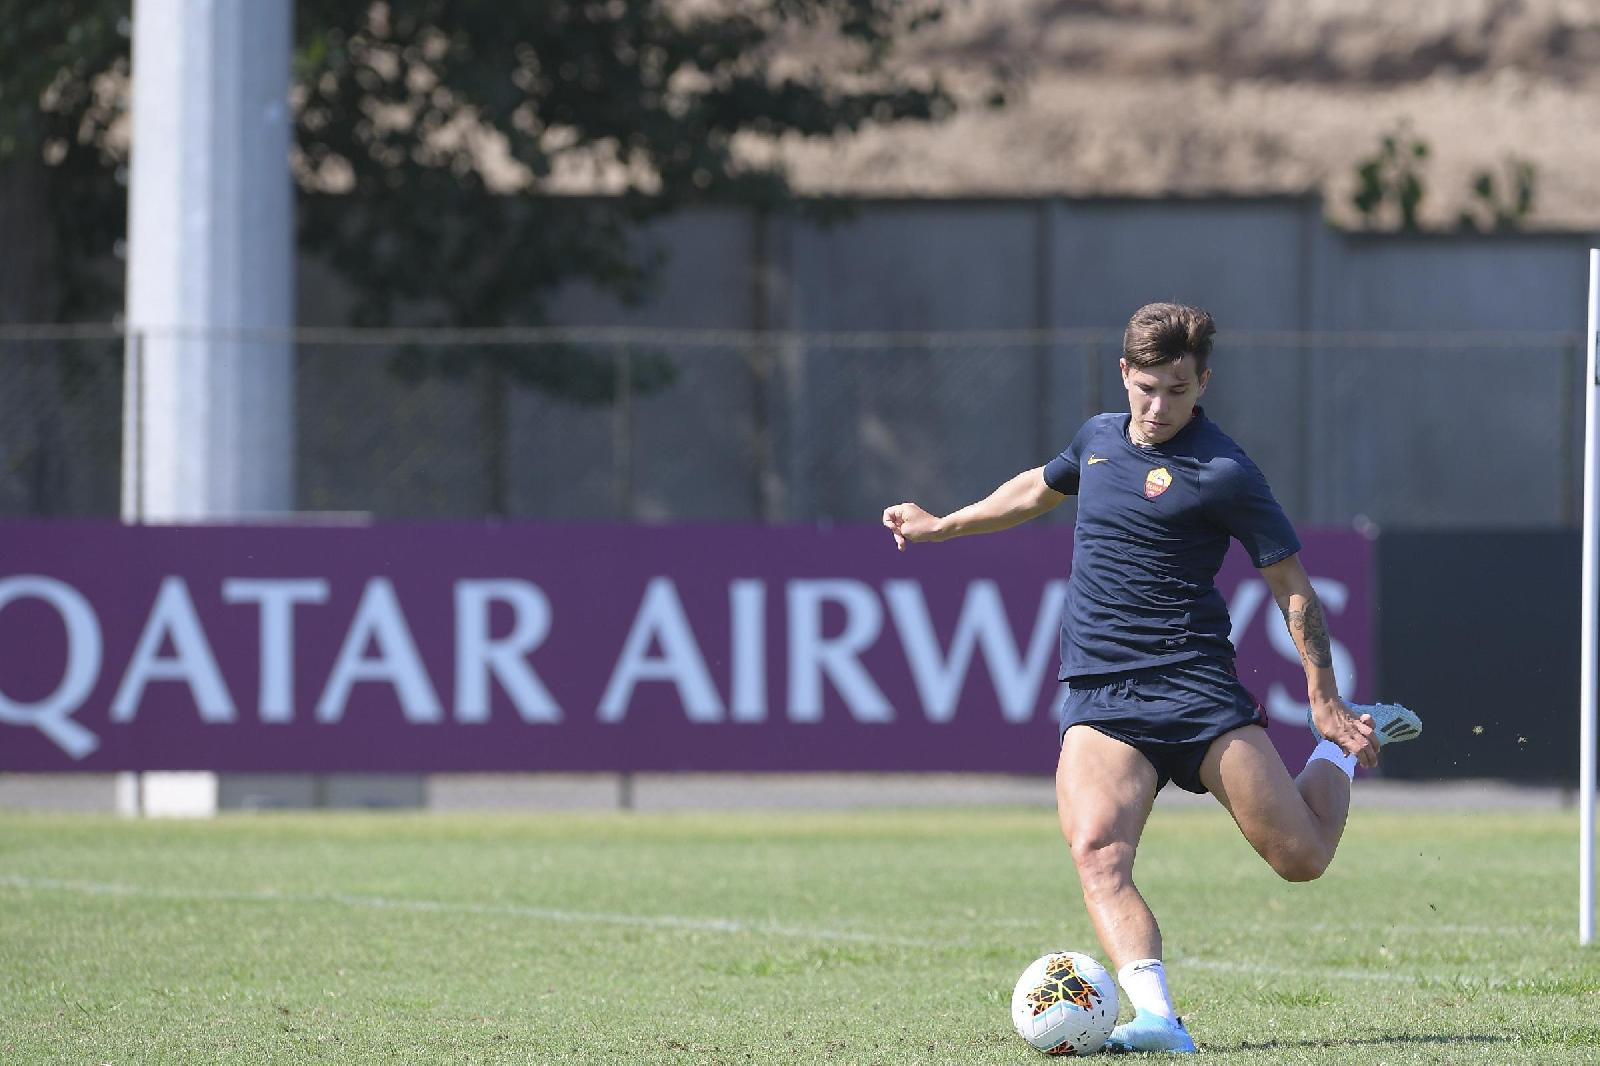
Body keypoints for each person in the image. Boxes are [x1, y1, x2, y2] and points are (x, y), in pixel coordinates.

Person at [881, 302, 1421, 1054]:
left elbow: (1293, 586)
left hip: (1197, 691)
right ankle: (1159, 1019)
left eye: (1176, 389)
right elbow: (1037, 488)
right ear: (1124, 376)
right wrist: (944, 524)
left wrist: (1323, 703)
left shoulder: (1225, 471)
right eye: (1146, 387)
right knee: (1097, 849)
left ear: (1202, 382)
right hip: (1103, 696)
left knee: (1301, 860)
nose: (1158, 405)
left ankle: (1334, 756)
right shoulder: (1098, 439)